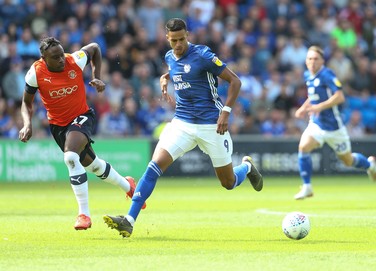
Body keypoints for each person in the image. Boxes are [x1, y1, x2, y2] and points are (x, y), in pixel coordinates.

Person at [103, 18, 263, 238]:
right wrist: (164, 77)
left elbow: (235, 81)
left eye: (182, 39)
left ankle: (246, 167)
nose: (178, 44)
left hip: (211, 124)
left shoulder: (203, 55)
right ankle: (129, 220)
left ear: (188, 34)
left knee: (228, 182)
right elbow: (178, 71)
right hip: (182, 123)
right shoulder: (169, 56)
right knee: (154, 165)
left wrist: (226, 111)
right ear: (167, 38)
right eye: (174, 40)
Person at [18, 37, 145, 230]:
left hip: (82, 116)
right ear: (43, 58)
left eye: (62, 54)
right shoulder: (35, 73)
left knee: (70, 157)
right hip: (58, 126)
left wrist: (97, 75)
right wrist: (27, 124)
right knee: (93, 166)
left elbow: (94, 48)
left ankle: (84, 214)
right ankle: (128, 186)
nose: (62, 59)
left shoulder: (74, 60)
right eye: (55, 57)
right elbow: (26, 102)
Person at [294, 45, 376, 200]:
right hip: (317, 124)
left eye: (315, 59)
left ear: (322, 61)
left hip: (334, 127)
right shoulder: (308, 75)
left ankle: (370, 165)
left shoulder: (327, 74)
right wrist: (303, 108)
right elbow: (313, 96)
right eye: (309, 59)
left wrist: (318, 106)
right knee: (303, 147)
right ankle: (307, 187)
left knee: (347, 161)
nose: (312, 62)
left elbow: (340, 97)